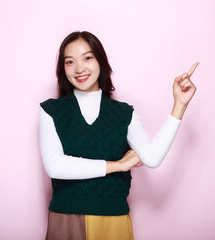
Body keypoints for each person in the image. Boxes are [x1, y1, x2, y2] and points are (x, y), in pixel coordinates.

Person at [39, 31, 199, 240]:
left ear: (101, 61)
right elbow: (55, 165)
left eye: (87, 58)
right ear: (63, 68)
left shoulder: (124, 113)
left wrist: (179, 105)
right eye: (70, 62)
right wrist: (117, 165)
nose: (79, 68)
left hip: (113, 221)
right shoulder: (51, 110)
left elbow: (151, 157)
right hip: (66, 219)